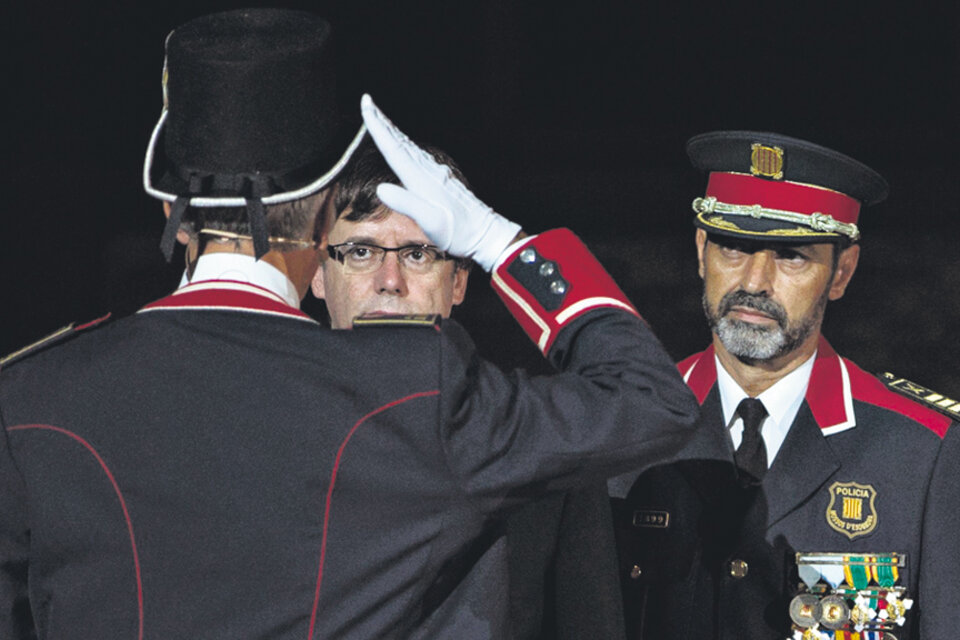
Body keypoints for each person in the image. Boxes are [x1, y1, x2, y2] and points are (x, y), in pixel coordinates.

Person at [0, 9, 699, 639]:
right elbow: (651, 399)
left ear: (167, 210)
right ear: (325, 209)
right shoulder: (414, 388)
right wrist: (497, 241)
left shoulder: (31, 397)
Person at [610, 130, 960, 639]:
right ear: (701, 248)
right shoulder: (620, 426)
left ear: (841, 272)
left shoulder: (925, 451)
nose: (754, 281)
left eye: (790, 256)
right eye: (733, 246)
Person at [314, 140, 626, 639]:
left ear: (458, 281)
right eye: (361, 251)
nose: (390, 280)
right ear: (318, 272)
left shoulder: (545, 449)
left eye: (417, 254)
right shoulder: (260, 433)